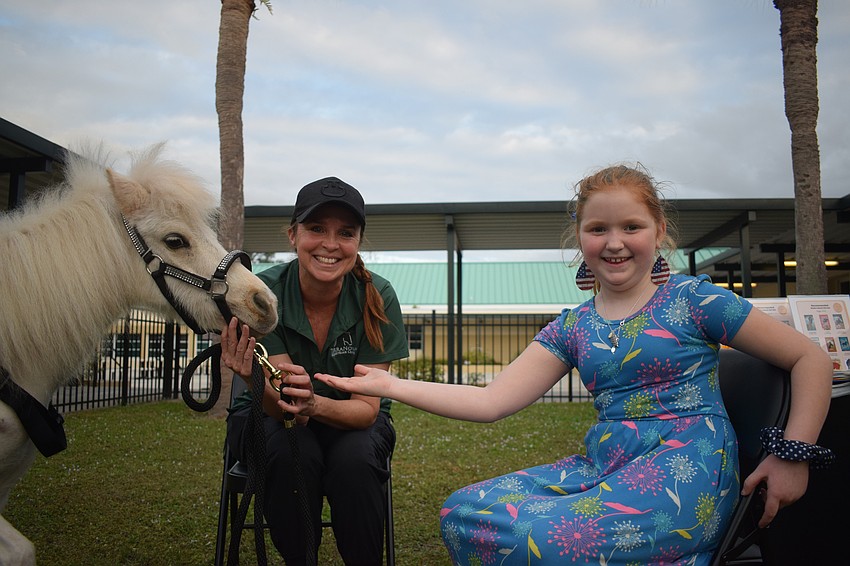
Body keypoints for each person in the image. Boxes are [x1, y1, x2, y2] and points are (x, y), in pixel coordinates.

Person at [315, 164, 834, 564]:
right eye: (597, 228)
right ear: (579, 237)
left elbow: (808, 357)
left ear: (658, 229)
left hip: (684, 474)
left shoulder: (693, 300)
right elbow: (492, 400)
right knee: (463, 512)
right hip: (605, 466)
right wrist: (391, 383)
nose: (614, 242)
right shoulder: (573, 326)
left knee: (539, 537)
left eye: (631, 226)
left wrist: (793, 456)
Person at [221, 176, 409, 566]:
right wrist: (249, 379)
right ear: (293, 234)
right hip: (269, 415)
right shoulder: (262, 293)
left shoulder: (379, 296)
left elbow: (365, 411)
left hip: (353, 422)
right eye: (316, 228)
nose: (330, 244)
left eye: (346, 232)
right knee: (291, 452)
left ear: (358, 243)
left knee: (355, 461)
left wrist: (314, 406)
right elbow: (283, 404)